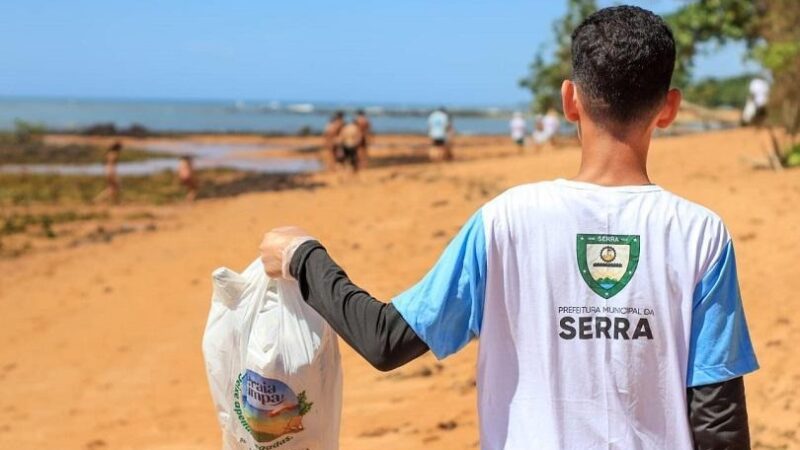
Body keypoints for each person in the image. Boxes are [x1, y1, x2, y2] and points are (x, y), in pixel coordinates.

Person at [260, 6, 757, 449]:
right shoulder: (700, 235)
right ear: (668, 108)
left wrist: (303, 255)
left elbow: (386, 341)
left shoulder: (506, 221)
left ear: (570, 101)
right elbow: (718, 421)